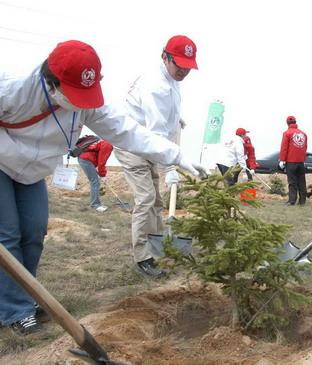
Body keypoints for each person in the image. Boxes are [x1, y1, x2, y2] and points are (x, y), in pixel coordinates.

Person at [0, 40, 207, 334]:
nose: (81, 101)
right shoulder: (11, 88)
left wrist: (177, 157)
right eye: (74, 92)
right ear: (51, 82)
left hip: (32, 171)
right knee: (7, 233)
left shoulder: (88, 104)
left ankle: (26, 297)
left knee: (33, 231)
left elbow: (129, 131)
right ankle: (14, 310)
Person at [113, 35, 204, 279]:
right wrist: (170, 168)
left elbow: (167, 121)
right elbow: (155, 133)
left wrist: (176, 121)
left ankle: (158, 245)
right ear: (165, 57)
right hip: (132, 146)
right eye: (179, 65)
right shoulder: (156, 85)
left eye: (188, 67)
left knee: (156, 201)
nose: (184, 71)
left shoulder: (172, 81)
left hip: (149, 145)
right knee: (145, 198)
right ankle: (143, 257)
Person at [78, 137, 113, 212]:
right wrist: (103, 175)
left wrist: (101, 173)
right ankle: (95, 205)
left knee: (95, 181)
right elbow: (102, 162)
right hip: (86, 160)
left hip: (86, 159)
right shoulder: (108, 144)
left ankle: (96, 203)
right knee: (95, 181)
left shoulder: (104, 141)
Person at [279, 116, 308, 205]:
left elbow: (284, 147)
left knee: (292, 182)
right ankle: (302, 201)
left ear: (287, 123)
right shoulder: (303, 134)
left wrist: (282, 160)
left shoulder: (287, 133)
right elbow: (305, 147)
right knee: (302, 181)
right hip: (301, 162)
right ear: (296, 122)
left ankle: (292, 201)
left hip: (291, 161)